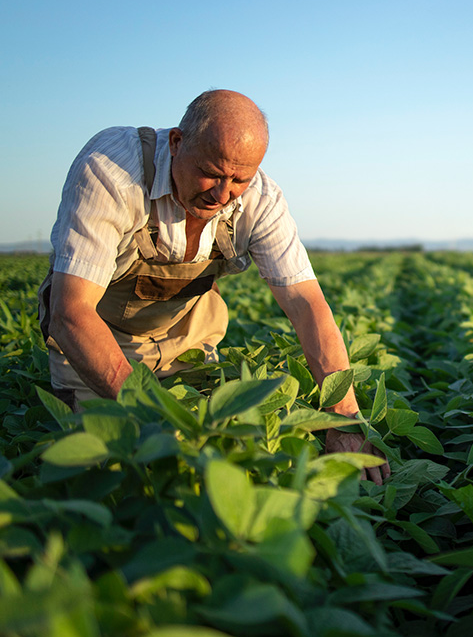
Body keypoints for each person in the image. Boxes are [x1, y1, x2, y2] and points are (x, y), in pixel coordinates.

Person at [38, 89, 389, 484]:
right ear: (176, 142)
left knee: (219, 466)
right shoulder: (112, 171)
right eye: (212, 172)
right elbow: (71, 315)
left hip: (187, 338)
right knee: (110, 472)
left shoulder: (261, 200)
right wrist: (158, 419)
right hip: (97, 341)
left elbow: (306, 304)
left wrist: (342, 419)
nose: (222, 194)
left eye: (239, 179)